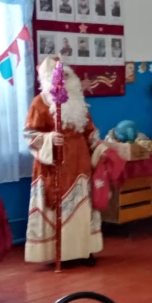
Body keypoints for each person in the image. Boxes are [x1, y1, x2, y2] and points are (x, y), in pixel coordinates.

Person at [24, 57, 107, 264]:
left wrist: (99, 146)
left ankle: (84, 251)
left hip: (80, 164)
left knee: (82, 208)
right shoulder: (40, 103)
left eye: (68, 76)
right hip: (54, 166)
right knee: (58, 209)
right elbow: (30, 134)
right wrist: (49, 138)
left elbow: (89, 130)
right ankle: (58, 254)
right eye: (60, 77)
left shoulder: (77, 100)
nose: (64, 80)